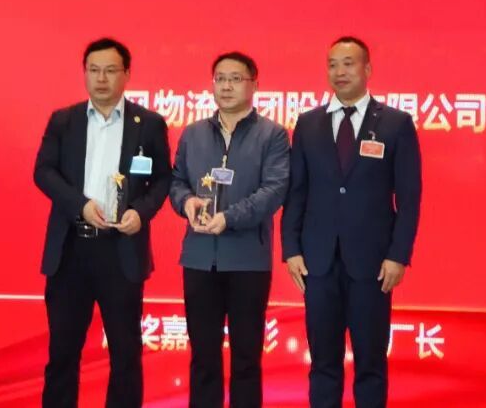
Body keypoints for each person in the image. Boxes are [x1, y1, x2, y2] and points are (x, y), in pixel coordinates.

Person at [281, 36, 422, 408]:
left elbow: (409, 199)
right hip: (318, 262)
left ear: (367, 69)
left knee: (370, 362)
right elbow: (297, 191)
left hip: (373, 265)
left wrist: (398, 255)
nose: (339, 72)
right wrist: (291, 249)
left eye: (348, 63)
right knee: (323, 363)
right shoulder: (308, 124)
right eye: (332, 64)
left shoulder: (395, 124)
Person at [34, 37, 172, 408]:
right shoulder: (64, 120)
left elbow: (163, 179)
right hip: (71, 249)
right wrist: (79, 205)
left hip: (121, 250)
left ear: (126, 74)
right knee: (63, 351)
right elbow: (43, 172)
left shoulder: (148, 124)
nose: (101, 79)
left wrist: (140, 212)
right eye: (94, 70)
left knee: (125, 354)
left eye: (110, 71)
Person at [169, 51, 290, 408]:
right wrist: (186, 202)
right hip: (198, 259)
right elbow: (176, 181)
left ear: (254, 85)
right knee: (203, 357)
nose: (226, 86)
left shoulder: (272, 135)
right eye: (220, 78)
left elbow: (274, 190)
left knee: (246, 360)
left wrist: (229, 217)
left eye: (235, 79)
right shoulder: (193, 134)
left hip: (248, 260)